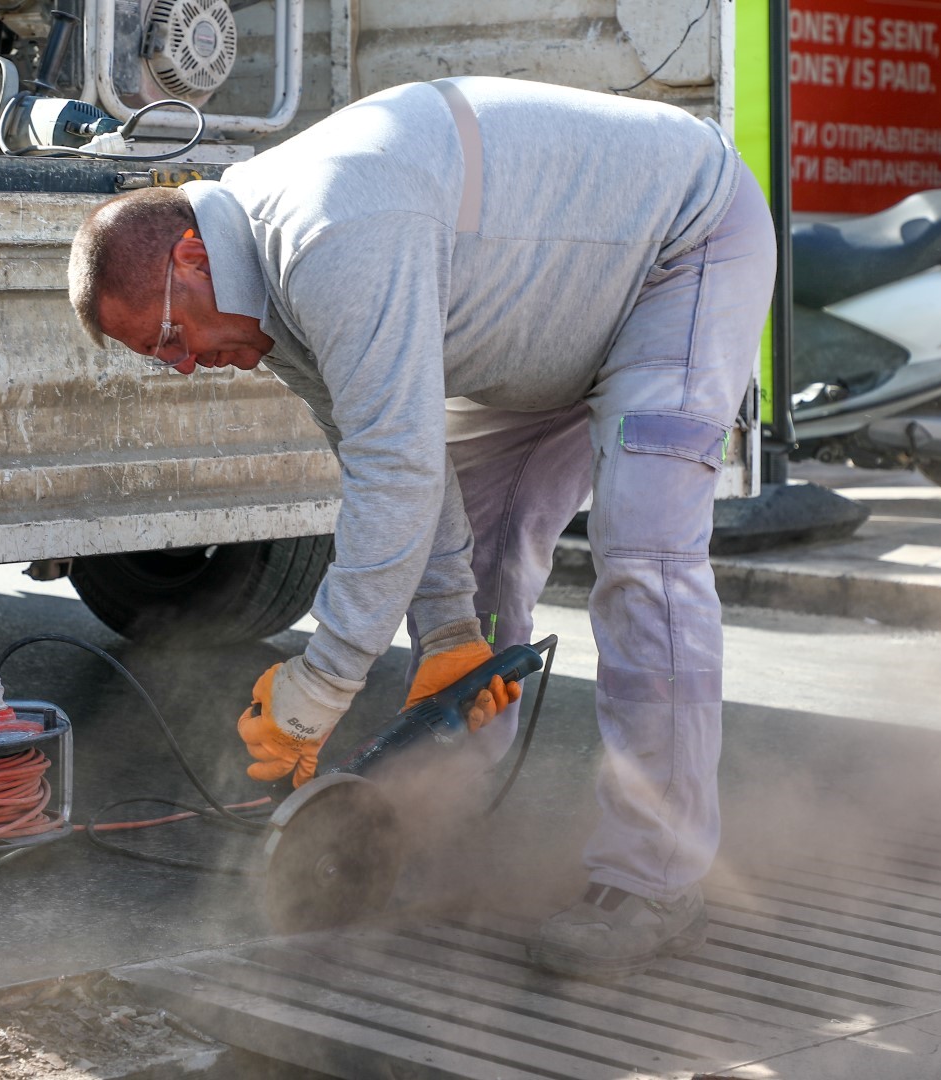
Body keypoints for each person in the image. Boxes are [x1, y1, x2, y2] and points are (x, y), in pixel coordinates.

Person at [67, 76, 775, 979]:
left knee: (644, 556)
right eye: (156, 359)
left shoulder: (329, 232)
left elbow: (398, 473)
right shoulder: (269, 305)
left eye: (168, 338)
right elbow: (394, 457)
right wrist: (447, 631)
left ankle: (655, 882)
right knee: (471, 571)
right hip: (565, 315)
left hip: (683, 249)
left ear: (195, 260)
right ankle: (450, 834)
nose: (180, 368)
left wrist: (322, 684)